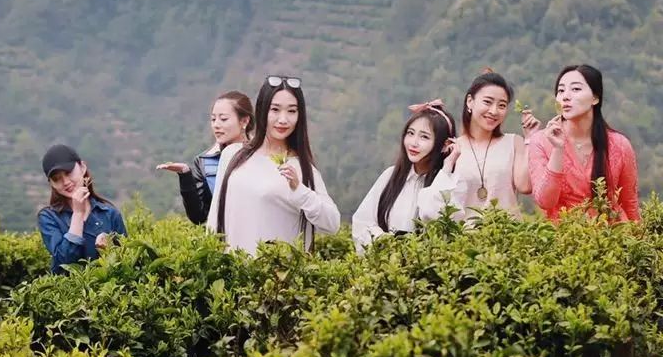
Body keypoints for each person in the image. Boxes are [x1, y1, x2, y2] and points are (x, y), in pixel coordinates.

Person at [207, 75, 340, 253]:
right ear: (262, 110)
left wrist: (299, 190)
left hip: (274, 269)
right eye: (275, 109)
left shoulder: (301, 168)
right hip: (232, 267)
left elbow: (332, 224)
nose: (283, 119)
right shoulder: (232, 155)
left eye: (292, 111)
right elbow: (215, 218)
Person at [528, 64, 639, 221]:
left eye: (575, 89)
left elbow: (629, 203)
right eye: (561, 91)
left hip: (612, 234)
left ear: (595, 98)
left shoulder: (620, 145)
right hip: (563, 234)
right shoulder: (541, 141)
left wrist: (639, 235)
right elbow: (545, 201)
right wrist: (558, 149)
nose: (566, 96)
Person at [352, 100, 462, 251]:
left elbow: (433, 217)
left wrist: (447, 166)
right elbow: (362, 222)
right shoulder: (390, 176)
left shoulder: (450, 183)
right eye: (410, 133)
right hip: (387, 263)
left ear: (445, 145)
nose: (413, 143)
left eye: (424, 137)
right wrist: (385, 242)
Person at [157, 91, 254, 224]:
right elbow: (198, 217)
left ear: (244, 121)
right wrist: (185, 175)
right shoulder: (205, 161)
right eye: (213, 119)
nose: (216, 125)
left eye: (223, 119)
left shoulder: (262, 155)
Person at [455, 69, 540, 218]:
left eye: (501, 105)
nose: (494, 111)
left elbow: (525, 186)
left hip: (508, 230)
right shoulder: (453, 149)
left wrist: (530, 138)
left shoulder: (514, 142)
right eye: (487, 102)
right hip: (465, 232)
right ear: (470, 101)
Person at [37, 144, 127, 274]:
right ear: (51, 183)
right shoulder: (49, 217)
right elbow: (64, 263)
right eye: (56, 179)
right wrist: (78, 214)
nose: (65, 182)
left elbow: (127, 263)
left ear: (82, 167)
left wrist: (109, 249)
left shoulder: (109, 214)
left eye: (68, 173)